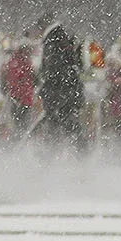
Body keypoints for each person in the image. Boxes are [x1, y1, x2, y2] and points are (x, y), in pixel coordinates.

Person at [35, 14, 88, 156]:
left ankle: (51, 157)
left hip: (61, 93)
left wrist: (47, 89)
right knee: (66, 125)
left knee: (63, 124)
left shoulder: (52, 41)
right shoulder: (60, 38)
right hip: (68, 91)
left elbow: (54, 70)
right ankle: (75, 155)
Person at [1, 36, 38, 138]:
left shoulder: (12, 61)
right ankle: (22, 139)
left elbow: (6, 79)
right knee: (24, 122)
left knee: (16, 121)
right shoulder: (26, 62)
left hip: (15, 97)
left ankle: (17, 138)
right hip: (25, 97)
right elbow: (34, 79)